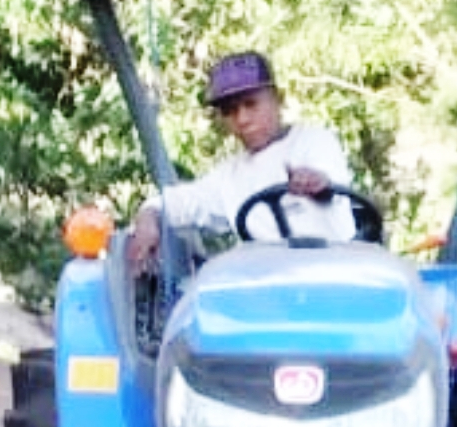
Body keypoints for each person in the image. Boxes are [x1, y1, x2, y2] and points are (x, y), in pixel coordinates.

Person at [128, 52, 355, 273]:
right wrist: (148, 215)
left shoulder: (313, 140)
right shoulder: (229, 176)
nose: (242, 119)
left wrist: (315, 182)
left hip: (333, 277)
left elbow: (328, 181)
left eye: (251, 104)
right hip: (271, 294)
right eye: (230, 111)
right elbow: (178, 203)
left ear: (277, 99)